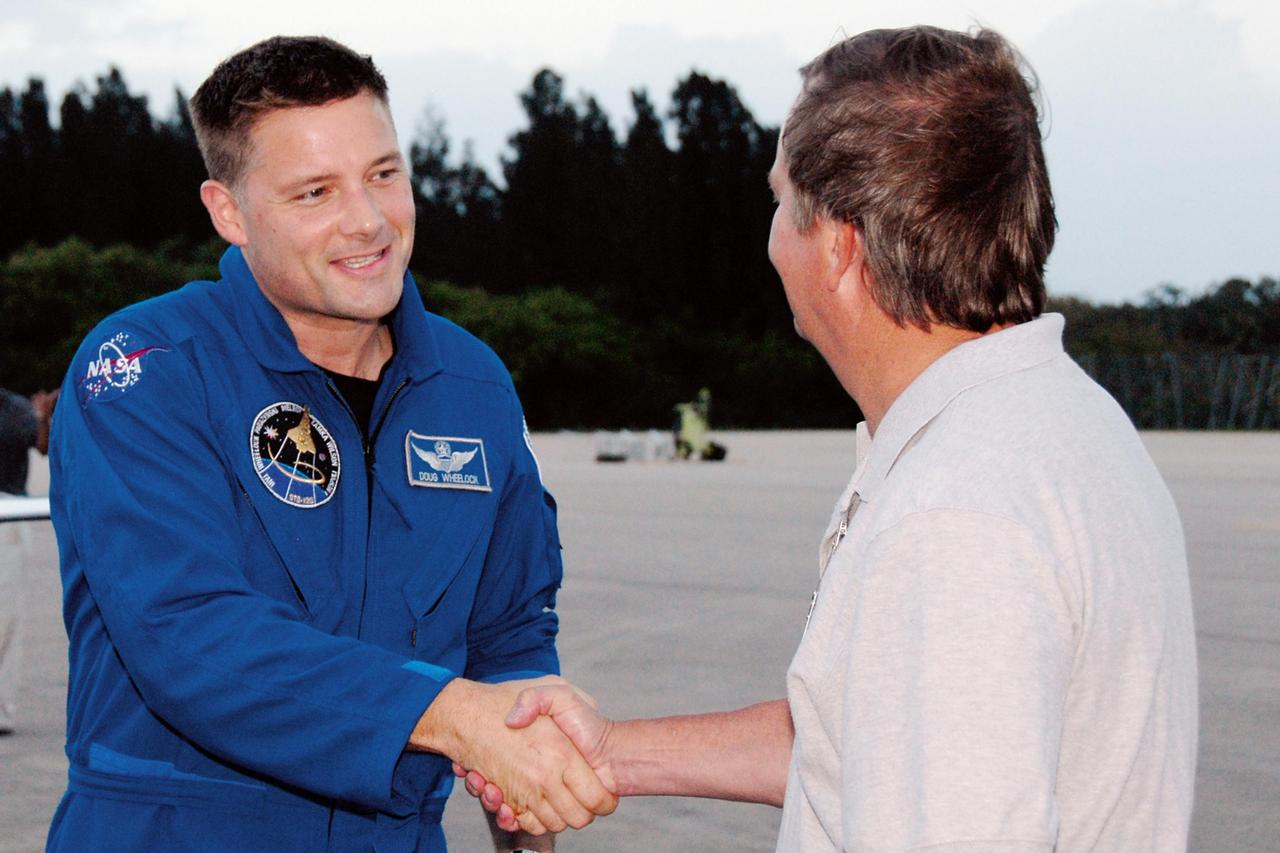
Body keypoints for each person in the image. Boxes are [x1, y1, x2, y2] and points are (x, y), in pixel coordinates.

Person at [462, 25, 1199, 851]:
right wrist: (616, 753)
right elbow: (874, 741)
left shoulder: (954, 518)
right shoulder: (1061, 422)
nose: (771, 234)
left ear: (841, 246)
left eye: (780, 200)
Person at [46, 36, 614, 852]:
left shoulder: (472, 384)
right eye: (314, 191)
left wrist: (526, 834)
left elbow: (512, 638)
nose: (368, 220)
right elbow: (190, 633)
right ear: (229, 211)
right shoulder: (146, 368)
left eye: (384, 173)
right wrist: (449, 715)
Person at [0, 387, 57, 735]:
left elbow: (42, 447)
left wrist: (45, 417)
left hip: (8, 513)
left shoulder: (14, 407)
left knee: (6, 617)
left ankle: (2, 708)